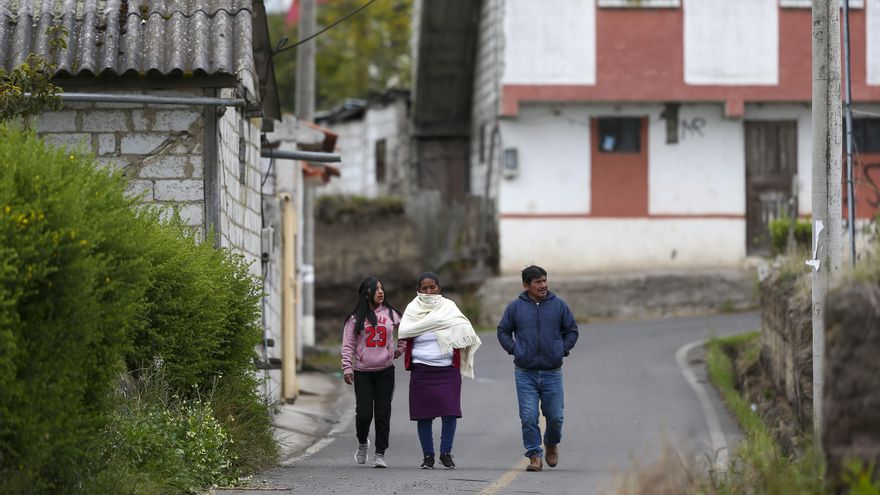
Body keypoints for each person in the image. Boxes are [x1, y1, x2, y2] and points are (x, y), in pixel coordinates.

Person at [496, 265, 579, 472]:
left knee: (555, 417)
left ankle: (551, 443)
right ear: (526, 285)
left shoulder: (559, 305)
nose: (543, 285)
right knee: (528, 416)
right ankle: (534, 455)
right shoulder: (515, 307)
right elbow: (503, 331)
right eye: (537, 282)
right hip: (525, 372)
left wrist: (561, 350)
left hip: (552, 371)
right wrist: (516, 350)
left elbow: (572, 331)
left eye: (544, 280)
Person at [398, 272, 481, 470]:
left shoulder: (449, 308)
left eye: (432, 287)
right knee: (423, 415)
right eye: (424, 288)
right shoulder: (412, 310)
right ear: (418, 291)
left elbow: (465, 328)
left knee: (450, 412)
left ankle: (446, 453)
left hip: (447, 371)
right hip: (421, 370)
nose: (429, 291)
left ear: (439, 288)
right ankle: (428, 456)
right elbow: (404, 332)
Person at [341, 276, 406, 468]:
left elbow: (407, 333)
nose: (380, 292)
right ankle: (362, 443)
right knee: (363, 414)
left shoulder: (392, 314)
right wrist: (346, 367)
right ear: (366, 293)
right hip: (362, 373)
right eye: (375, 289)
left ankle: (380, 453)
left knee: (382, 413)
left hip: (385, 371)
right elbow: (348, 345)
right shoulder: (354, 319)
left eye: (382, 288)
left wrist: (399, 349)